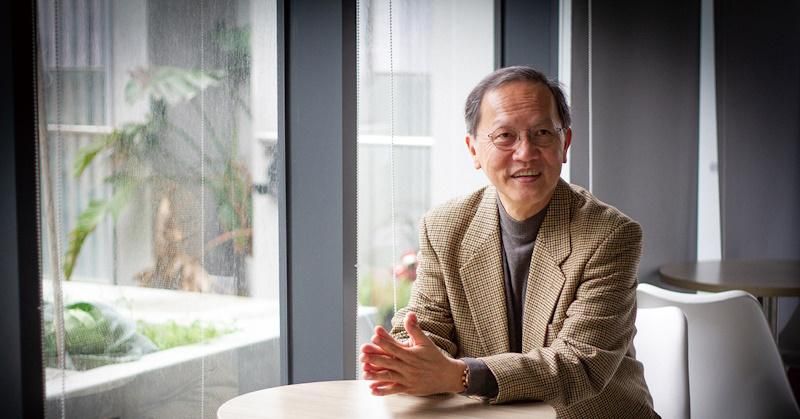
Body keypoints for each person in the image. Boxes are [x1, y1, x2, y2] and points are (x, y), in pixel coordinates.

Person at [359, 66, 658, 419]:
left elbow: (580, 364)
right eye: (505, 136)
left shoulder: (610, 235)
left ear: (565, 143)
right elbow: (427, 327)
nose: (525, 152)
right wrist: (409, 357)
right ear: (473, 149)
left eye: (542, 133)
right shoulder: (444, 227)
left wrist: (461, 375)